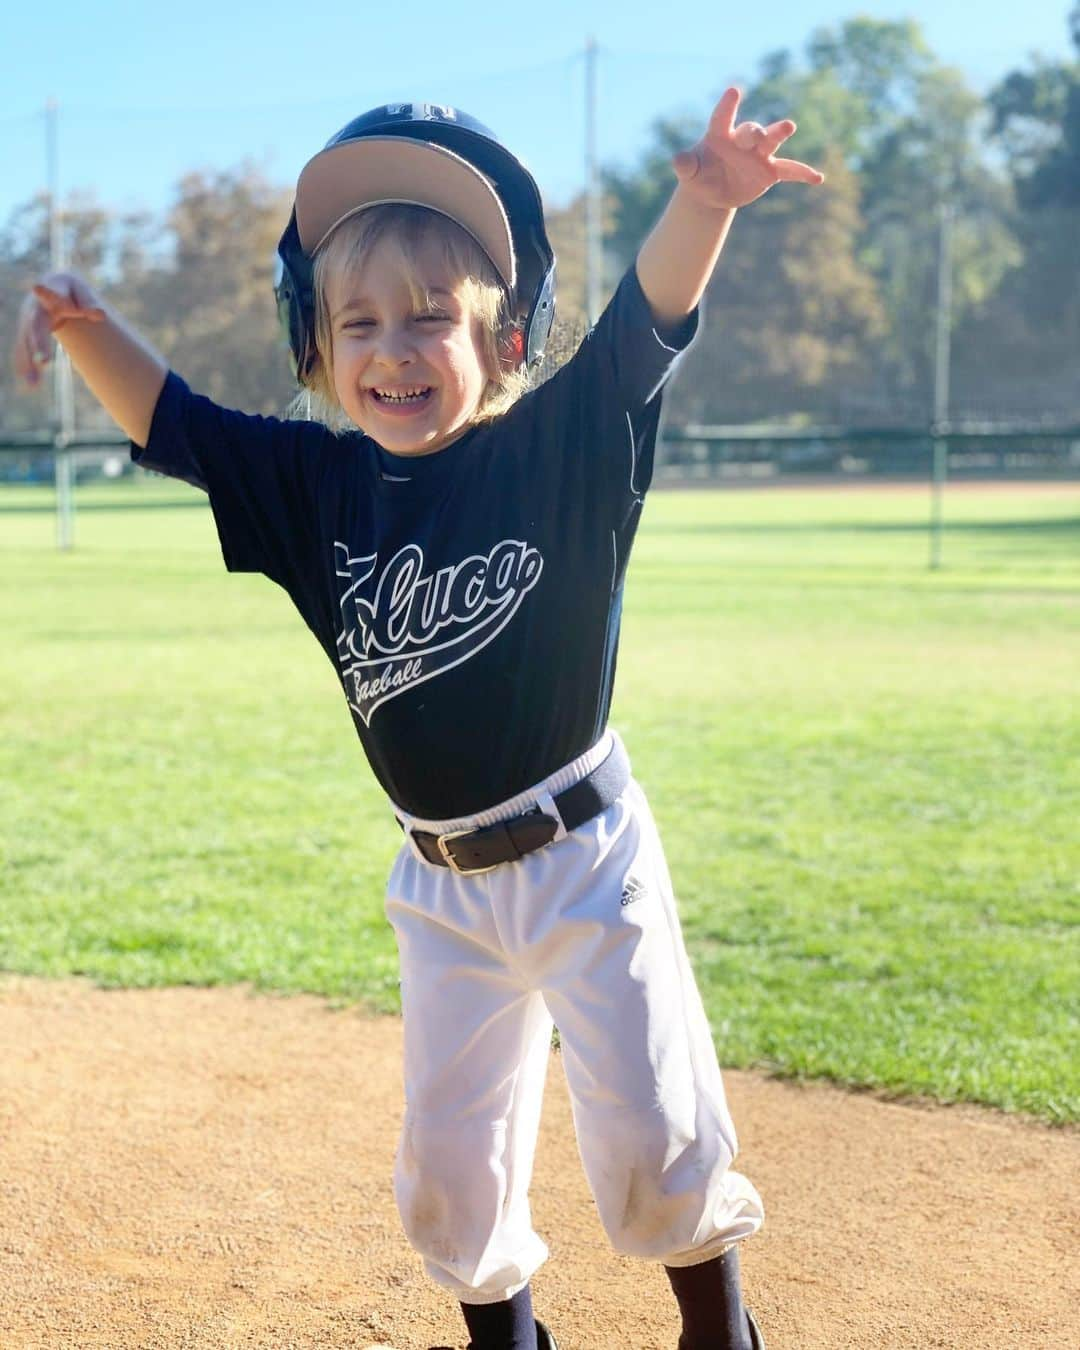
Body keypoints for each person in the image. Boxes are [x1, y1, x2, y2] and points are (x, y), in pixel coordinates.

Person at [13, 89, 824, 1350]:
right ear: (318, 348)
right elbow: (176, 426)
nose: (394, 349)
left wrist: (705, 201)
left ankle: (719, 1330)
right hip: (439, 884)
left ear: (504, 342)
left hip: (585, 860)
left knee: (656, 1134)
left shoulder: (560, 447)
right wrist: (84, 322)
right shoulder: (317, 485)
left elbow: (642, 325)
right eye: (360, 323)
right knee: (449, 1165)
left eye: (432, 318)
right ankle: (505, 1338)